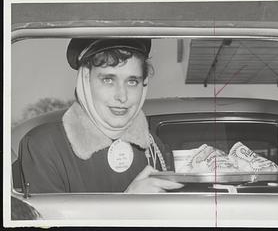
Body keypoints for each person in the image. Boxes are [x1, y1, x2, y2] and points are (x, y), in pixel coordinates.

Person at [17, 38, 184, 193]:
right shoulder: (43, 146)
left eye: (132, 82)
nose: (122, 96)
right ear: (85, 81)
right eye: (108, 80)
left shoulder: (154, 148)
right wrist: (129, 205)